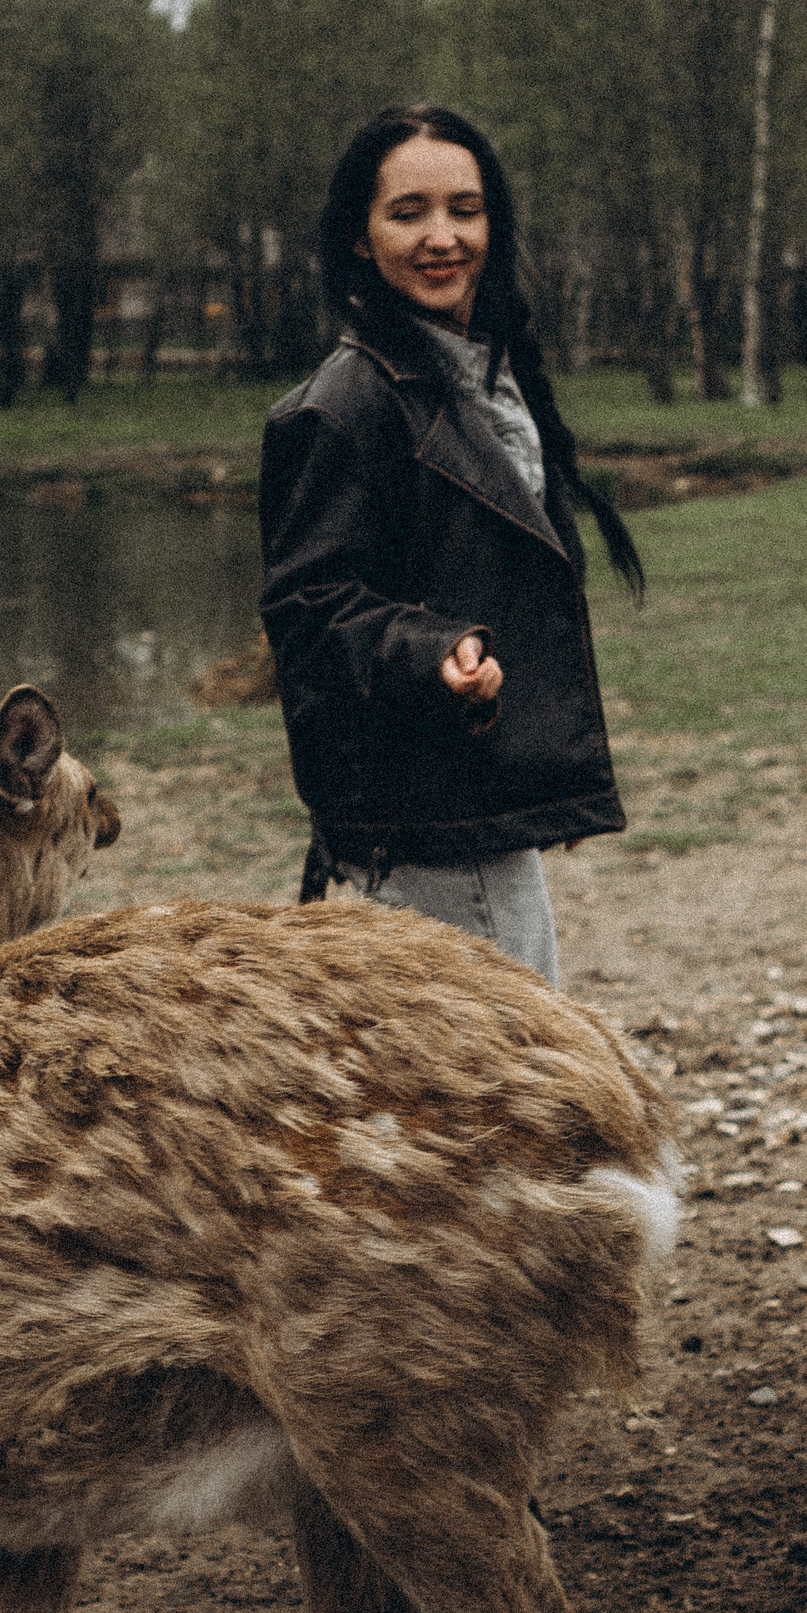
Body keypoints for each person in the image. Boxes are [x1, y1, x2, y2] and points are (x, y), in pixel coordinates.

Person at [258, 104, 645, 991]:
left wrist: (551, 774)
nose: (442, 236)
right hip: (427, 819)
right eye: (409, 213)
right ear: (360, 236)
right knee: (516, 1101)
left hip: (478, 804)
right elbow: (311, 614)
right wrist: (433, 654)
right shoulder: (342, 407)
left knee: (488, 1092)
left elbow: (509, 582)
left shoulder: (482, 373)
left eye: (465, 210)